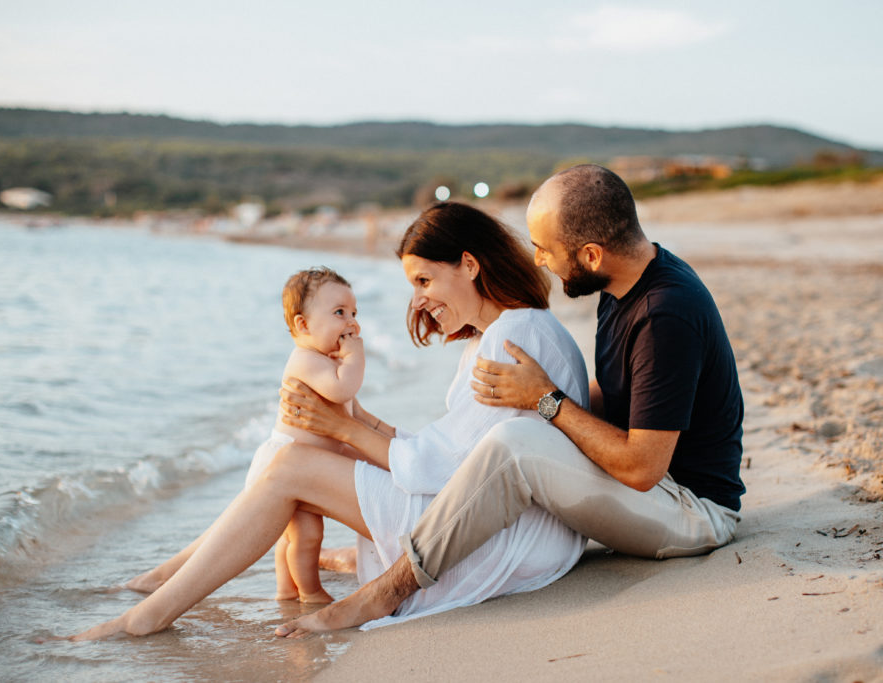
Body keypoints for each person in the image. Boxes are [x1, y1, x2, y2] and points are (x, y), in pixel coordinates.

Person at [70, 201, 589, 640]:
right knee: (307, 456)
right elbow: (458, 452)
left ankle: (148, 614)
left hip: (499, 541)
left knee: (293, 464)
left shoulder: (512, 338)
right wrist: (358, 420)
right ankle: (165, 577)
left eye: (424, 279)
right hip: (513, 529)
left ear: (470, 265)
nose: (419, 300)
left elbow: (446, 471)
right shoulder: (514, 331)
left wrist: (344, 428)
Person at [277, 164, 745, 634]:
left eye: (547, 249)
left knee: (516, 442)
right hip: (651, 491)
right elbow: (628, 397)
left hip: (692, 511)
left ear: (592, 254)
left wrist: (546, 400)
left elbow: (643, 468)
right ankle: (384, 556)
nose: (538, 260)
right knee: (516, 438)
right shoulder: (623, 287)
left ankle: (384, 593)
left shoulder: (664, 315)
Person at [124, 267, 363, 604]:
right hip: (283, 463)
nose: (351, 323)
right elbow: (342, 391)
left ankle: (286, 590)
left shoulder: (324, 360)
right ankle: (310, 592)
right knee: (307, 535)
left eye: (354, 313)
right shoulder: (306, 359)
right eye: (339, 313)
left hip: (298, 465)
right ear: (303, 325)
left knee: (292, 536)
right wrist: (355, 358)